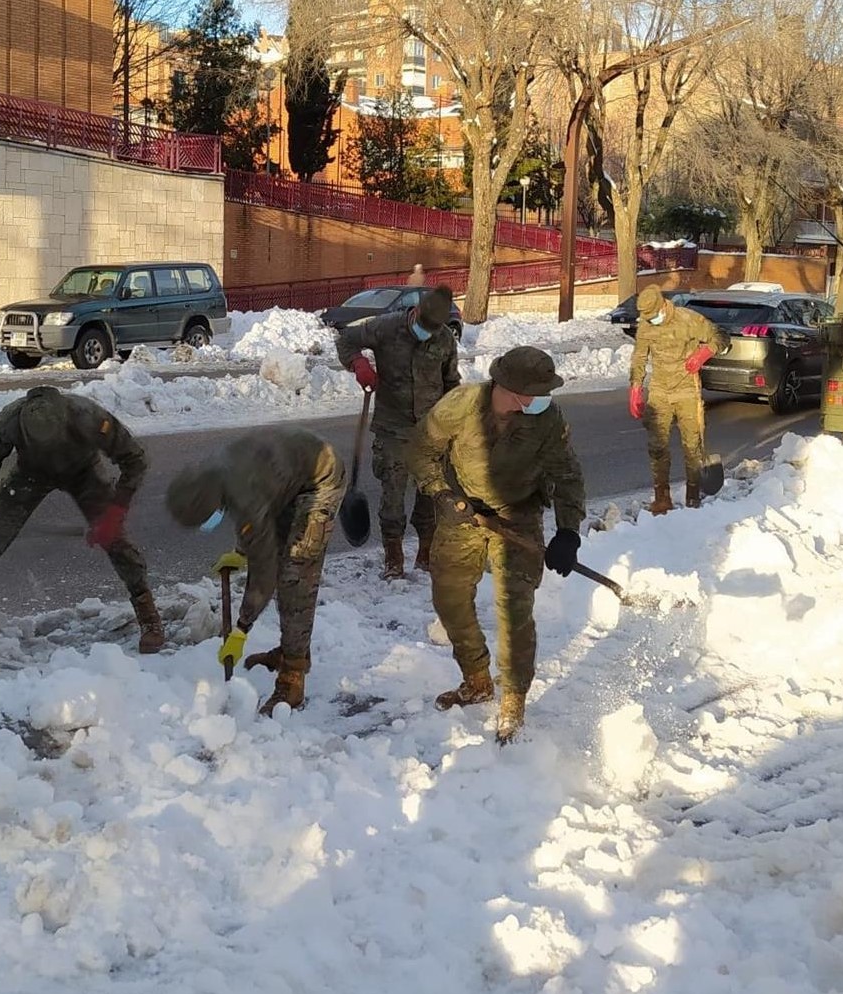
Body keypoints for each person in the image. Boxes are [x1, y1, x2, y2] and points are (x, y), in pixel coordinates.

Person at [411, 346, 586, 744]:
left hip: (518, 517)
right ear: (510, 390)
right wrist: (441, 495)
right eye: (537, 392)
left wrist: (568, 532)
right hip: (462, 512)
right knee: (450, 600)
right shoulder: (460, 405)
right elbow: (420, 450)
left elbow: (567, 474)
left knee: (514, 611)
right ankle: (476, 679)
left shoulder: (547, 418)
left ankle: (513, 699)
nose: (544, 399)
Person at [0, 386, 163, 655]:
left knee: (116, 542)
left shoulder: (87, 416)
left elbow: (135, 459)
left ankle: (149, 617)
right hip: (30, 475)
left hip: (83, 472)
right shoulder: (8, 421)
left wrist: (114, 513)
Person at [164, 426, 346, 716]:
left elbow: (265, 572)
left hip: (319, 478)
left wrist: (241, 629)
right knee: (280, 553)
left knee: (295, 576)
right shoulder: (211, 475)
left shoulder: (242, 491)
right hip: (288, 476)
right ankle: (291, 651)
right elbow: (256, 512)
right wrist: (241, 552)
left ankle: (293, 676)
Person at [335, 285, 461, 578]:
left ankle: (425, 553)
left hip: (432, 430)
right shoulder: (385, 327)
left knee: (429, 496)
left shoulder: (444, 340)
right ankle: (394, 557)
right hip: (393, 428)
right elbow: (345, 339)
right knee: (392, 497)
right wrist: (358, 363)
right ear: (414, 312)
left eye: (432, 329)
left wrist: (456, 421)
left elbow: (451, 382)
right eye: (422, 326)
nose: (426, 333)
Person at [629, 286, 725, 514]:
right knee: (657, 446)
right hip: (659, 391)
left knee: (692, 446)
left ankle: (693, 495)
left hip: (686, 391)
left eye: (653, 316)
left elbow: (719, 336)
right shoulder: (645, 325)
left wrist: (703, 353)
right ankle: (662, 498)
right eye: (648, 318)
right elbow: (640, 356)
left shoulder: (688, 320)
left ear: (663, 306)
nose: (651, 321)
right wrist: (635, 387)